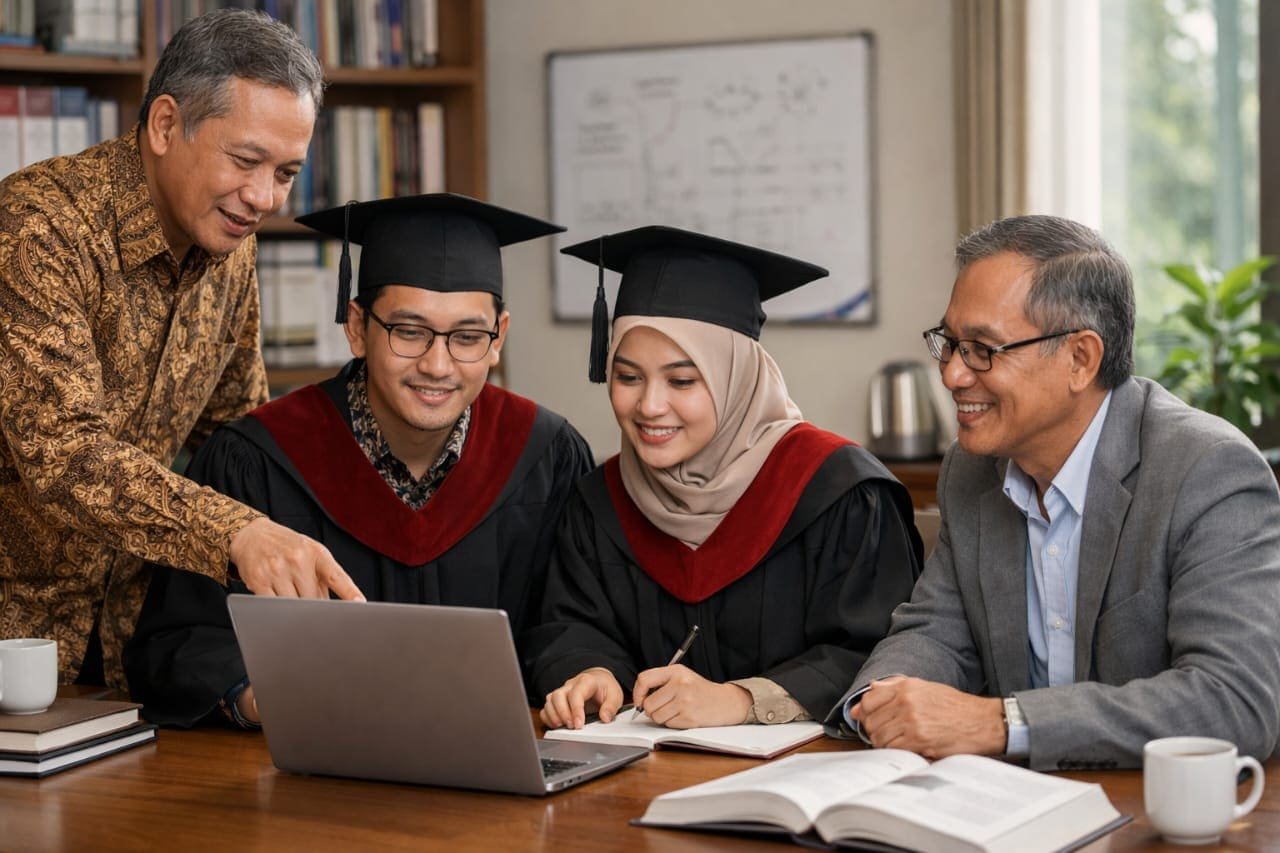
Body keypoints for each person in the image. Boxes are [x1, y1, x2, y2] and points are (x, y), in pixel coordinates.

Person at [828, 214, 1280, 770]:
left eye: (983, 349)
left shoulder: (1206, 470)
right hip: (1007, 810)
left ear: (1080, 358)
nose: (951, 376)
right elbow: (936, 631)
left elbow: (1234, 702)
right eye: (949, 342)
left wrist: (1000, 723)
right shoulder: (970, 471)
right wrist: (883, 698)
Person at [125, 193, 594, 728]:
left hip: (501, 767)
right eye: (409, 332)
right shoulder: (257, 460)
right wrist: (259, 697)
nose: (437, 365)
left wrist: (578, 671)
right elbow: (175, 645)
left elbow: (570, 626)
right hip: (309, 777)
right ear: (356, 327)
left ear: (498, 339)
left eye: (467, 337)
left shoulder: (548, 456)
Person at [0, 9, 364, 690]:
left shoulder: (231, 245)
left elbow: (239, 432)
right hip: (14, 646)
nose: (263, 198)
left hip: (134, 655)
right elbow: (63, 455)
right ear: (166, 125)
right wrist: (236, 533)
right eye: (246, 160)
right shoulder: (38, 228)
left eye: (286, 172)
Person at [528, 226, 922, 731]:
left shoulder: (839, 490)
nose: (649, 405)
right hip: (643, 782)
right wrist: (591, 672)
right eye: (627, 377)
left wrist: (742, 700)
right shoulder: (599, 501)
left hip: (806, 782)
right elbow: (571, 625)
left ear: (737, 378)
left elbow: (886, 654)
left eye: (682, 380)